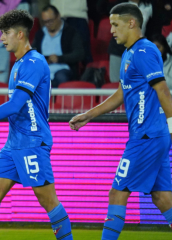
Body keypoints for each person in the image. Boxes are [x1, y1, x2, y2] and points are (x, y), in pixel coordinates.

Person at [0, 10, 73, 240]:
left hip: (32, 142)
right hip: (13, 145)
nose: (1, 38)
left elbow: (15, 105)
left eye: (6, 33)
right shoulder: (19, 64)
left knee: (48, 200)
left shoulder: (34, 62)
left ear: (20, 34)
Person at [69, 3, 172, 239]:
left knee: (117, 194)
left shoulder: (144, 51)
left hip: (147, 136)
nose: (111, 30)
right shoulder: (129, 52)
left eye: (115, 24)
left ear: (132, 23)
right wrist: (89, 115)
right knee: (162, 197)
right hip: (151, 136)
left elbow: (163, 92)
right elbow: (120, 94)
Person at [32, 5, 85, 88]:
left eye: (51, 21)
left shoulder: (71, 32)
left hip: (64, 68)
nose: (48, 24)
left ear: (58, 17)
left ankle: (59, 100)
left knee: (61, 77)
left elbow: (79, 54)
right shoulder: (40, 34)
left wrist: (59, 58)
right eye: (45, 22)